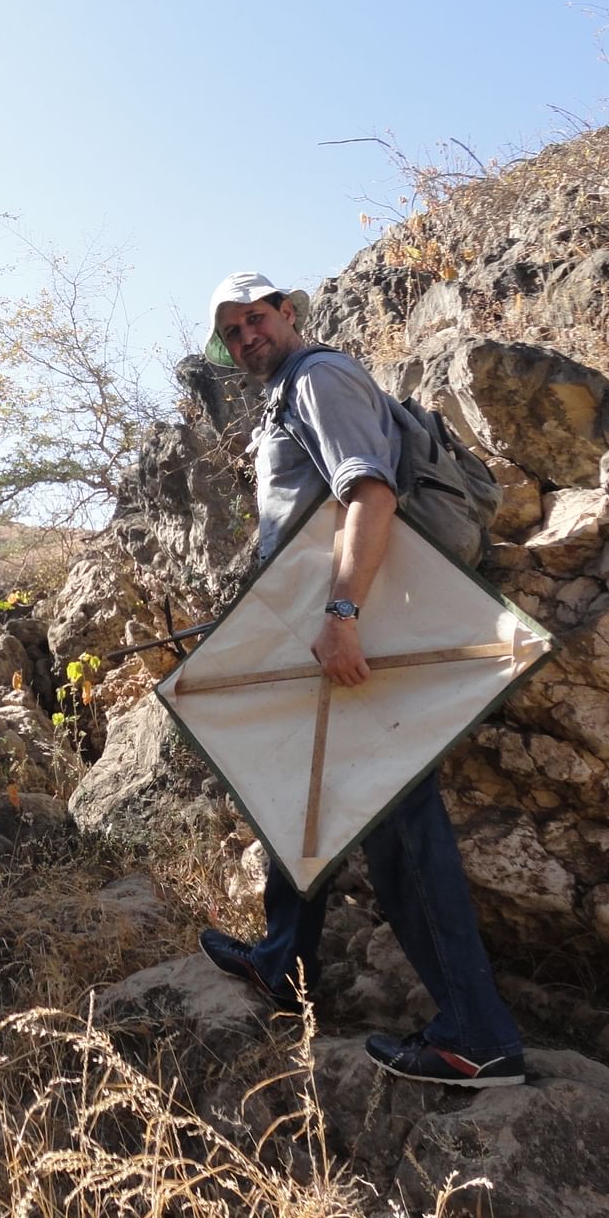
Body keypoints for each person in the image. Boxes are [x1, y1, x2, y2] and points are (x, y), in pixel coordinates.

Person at [197, 270, 526, 1089]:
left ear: (288, 312)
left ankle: (478, 1036)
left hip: (364, 627)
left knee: (399, 819)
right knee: (298, 783)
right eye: (232, 331)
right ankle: (283, 960)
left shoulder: (319, 377)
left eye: (255, 318)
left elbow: (368, 493)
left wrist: (343, 612)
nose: (246, 336)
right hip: (323, 630)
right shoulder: (285, 394)